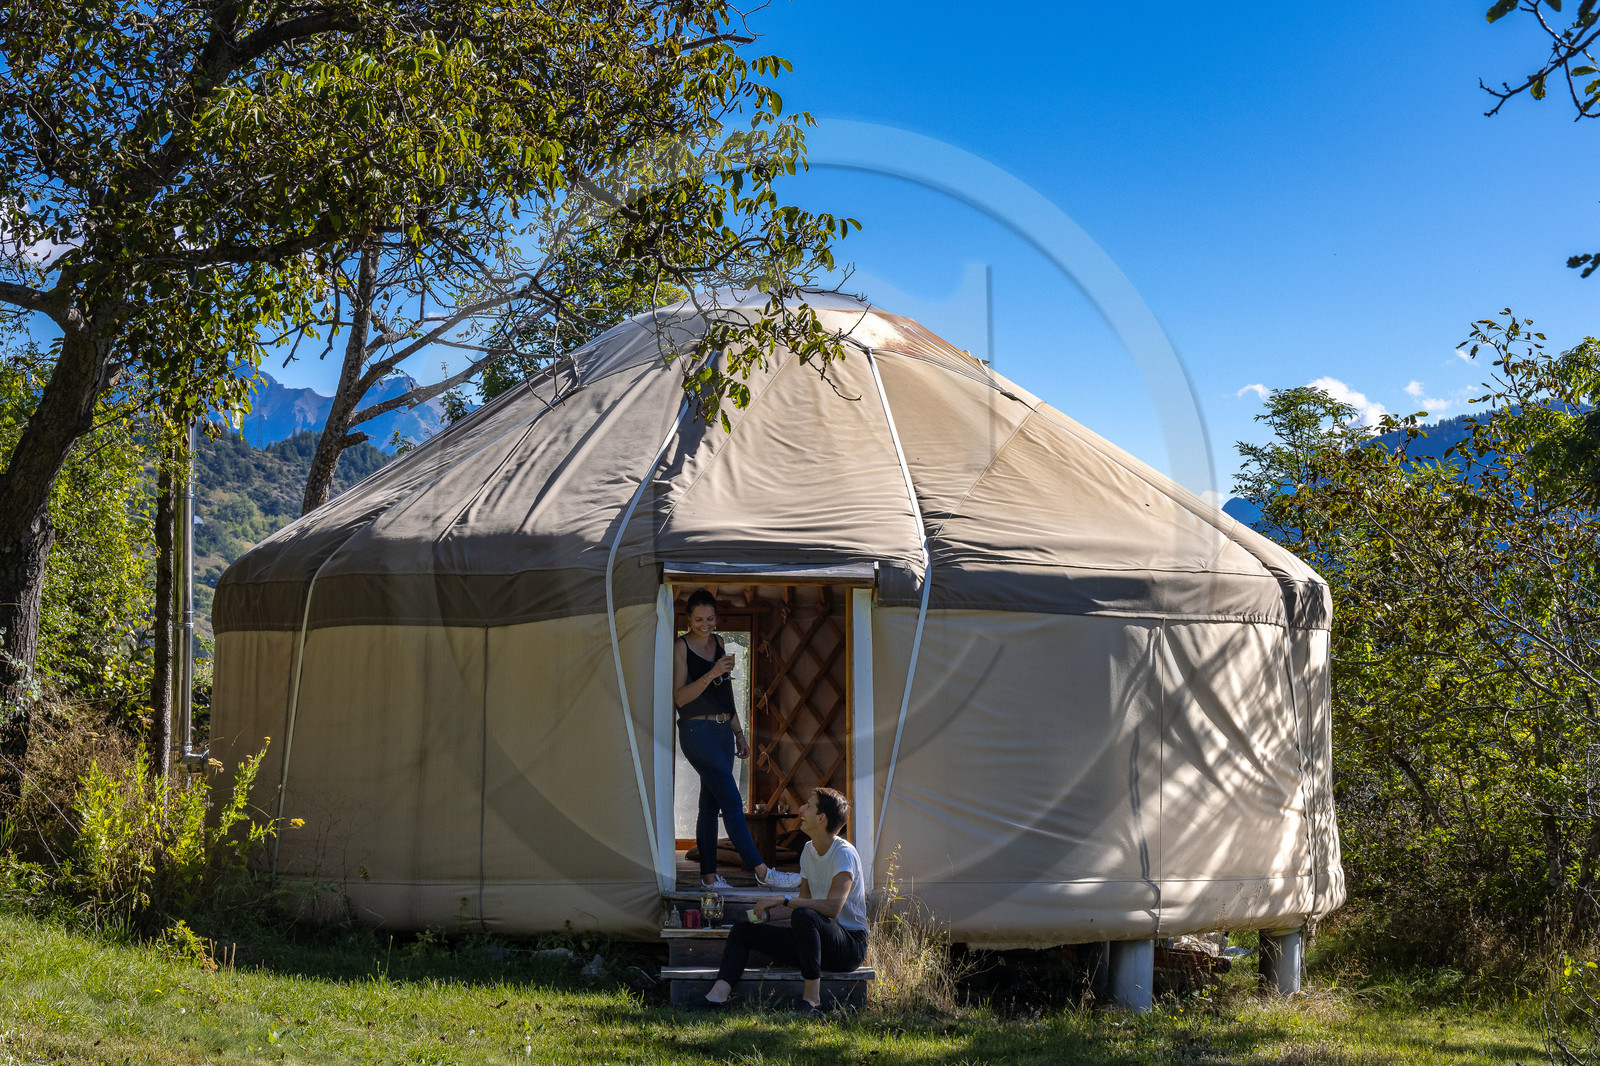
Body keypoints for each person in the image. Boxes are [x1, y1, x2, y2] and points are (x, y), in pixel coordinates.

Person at [674, 588, 800, 892]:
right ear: (689, 619)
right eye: (699, 619)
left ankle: (709, 877)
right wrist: (712, 672)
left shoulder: (718, 643)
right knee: (731, 800)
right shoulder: (681, 647)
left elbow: (726, 695)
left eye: (710, 618)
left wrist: (739, 734)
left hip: (721, 732)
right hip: (696, 731)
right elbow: (679, 697)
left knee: (708, 805)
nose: (706, 624)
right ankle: (762, 872)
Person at [701, 787, 869, 1016]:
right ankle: (716, 998)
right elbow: (805, 901)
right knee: (743, 930)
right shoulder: (809, 850)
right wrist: (768, 914)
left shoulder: (844, 854)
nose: (800, 809)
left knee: (804, 915)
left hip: (848, 947)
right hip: (814, 943)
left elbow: (831, 908)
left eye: (808, 806)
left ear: (821, 818)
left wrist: (785, 899)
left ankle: (811, 1001)